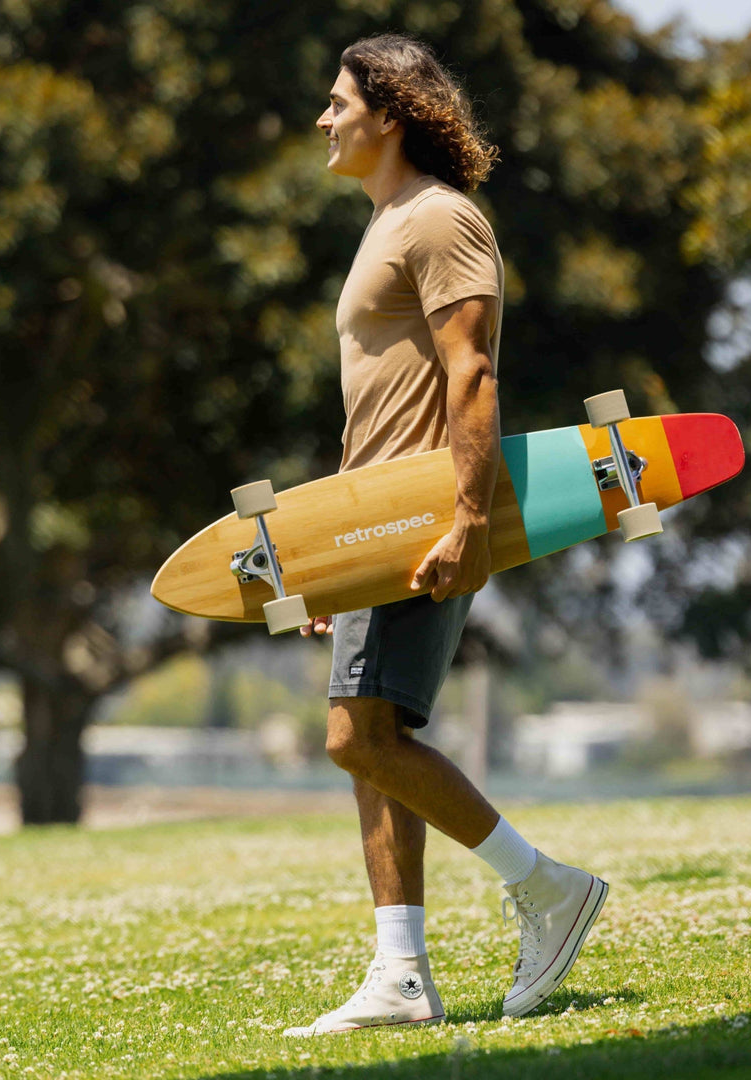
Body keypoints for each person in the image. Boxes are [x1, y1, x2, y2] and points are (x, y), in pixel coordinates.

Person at [284, 34, 607, 1037]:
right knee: (370, 737)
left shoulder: (440, 221)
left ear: (391, 113)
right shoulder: (385, 223)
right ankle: (400, 973)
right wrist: (330, 553)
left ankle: (547, 887)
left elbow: (472, 375)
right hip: (375, 521)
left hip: (428, 513)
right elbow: (372, 404)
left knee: (360, 735)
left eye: (340, 102)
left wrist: (468, 517)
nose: (325, 119)